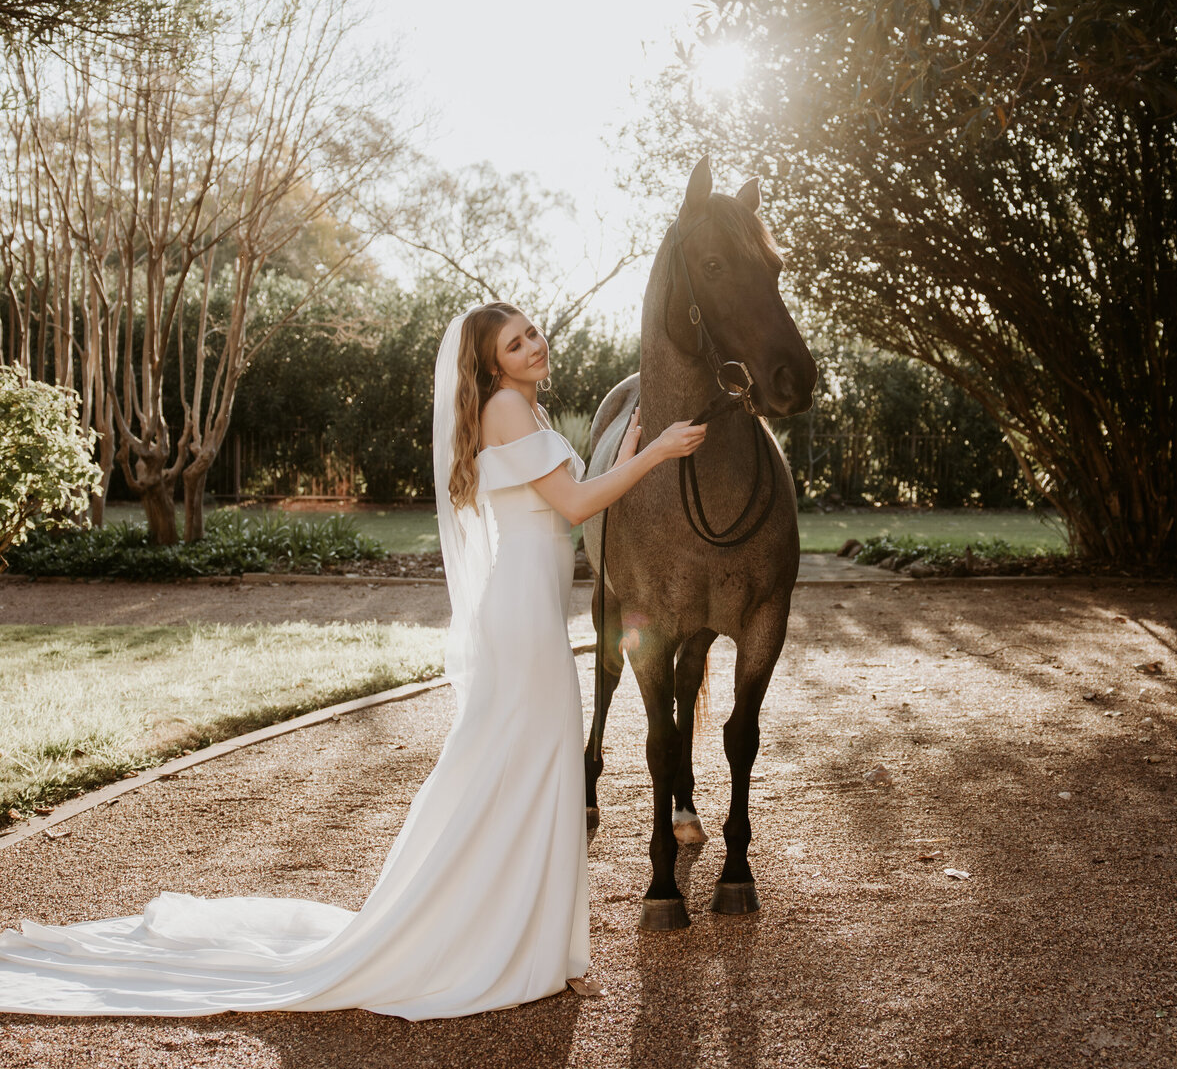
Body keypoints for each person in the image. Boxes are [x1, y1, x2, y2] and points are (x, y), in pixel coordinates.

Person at [0, 302, 706, 1018]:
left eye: (531, 332)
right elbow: (578, 504)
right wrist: (654, 453)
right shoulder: (507, 409)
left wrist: (630, 454)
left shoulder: (532, 410)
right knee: (529, 765)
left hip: (527, 611)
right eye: (514, 343)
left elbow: (567, 506)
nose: (533, 345)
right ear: (492, 363)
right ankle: (513, 944)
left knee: (529, 767)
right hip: (523, 617)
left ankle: (542, 945)